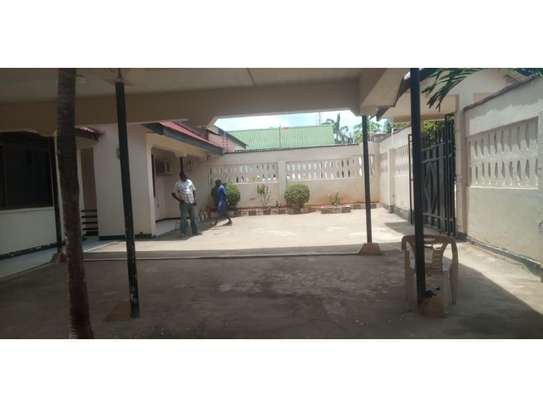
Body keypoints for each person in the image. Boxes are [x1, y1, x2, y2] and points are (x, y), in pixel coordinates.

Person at [171, 172, 199, 236]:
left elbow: (194, 190)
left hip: (191, 202)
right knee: (183, 219)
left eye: (186, 176)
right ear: (181, 177)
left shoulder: (190, 181)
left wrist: (195, 199)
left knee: (193, 218)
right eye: (184, 176)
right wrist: (179, 200)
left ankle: (195, 231)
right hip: (184, 203)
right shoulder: (177, 183)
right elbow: (173, 193)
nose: (186, 177)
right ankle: (183, 233)